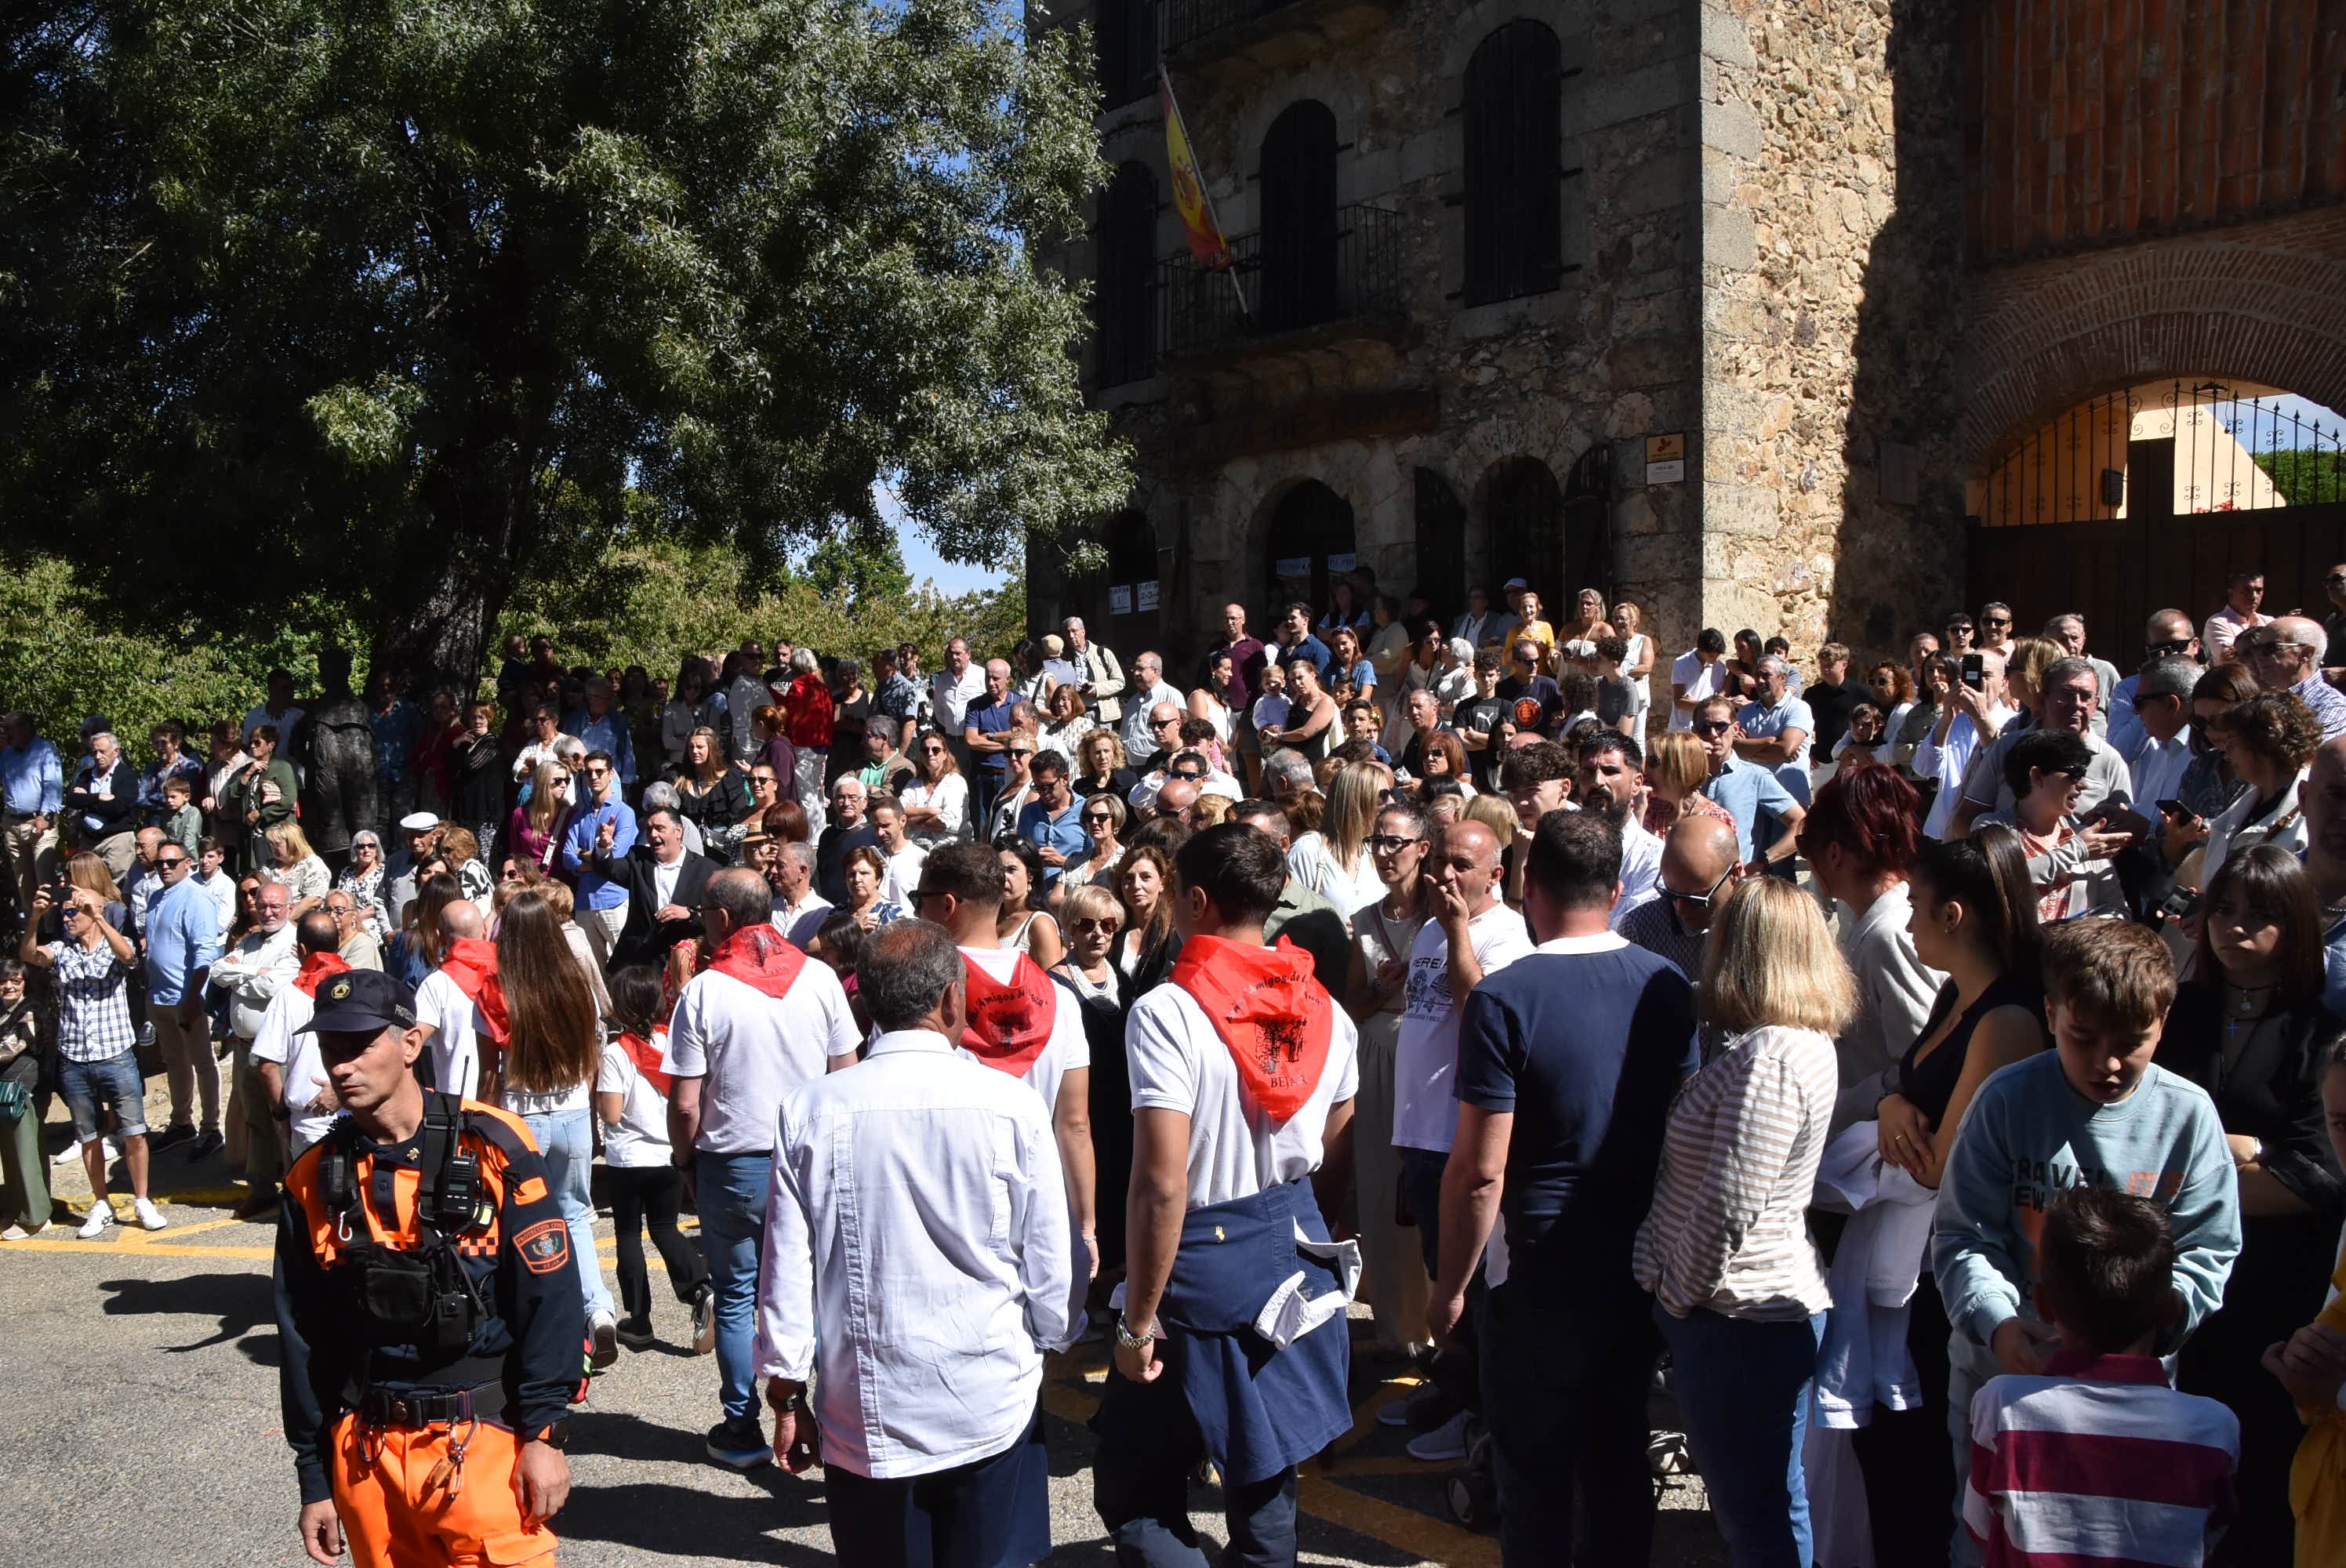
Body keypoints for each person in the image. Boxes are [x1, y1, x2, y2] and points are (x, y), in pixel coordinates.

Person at [754, 917, 1073, 1560]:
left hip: (867, 1411)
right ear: (953, 999)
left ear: (865, 1003)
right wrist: (1051, 1335)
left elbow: (787, 1266)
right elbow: (1049, 1260)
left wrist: (787, 1392)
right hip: (990, 1395)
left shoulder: (812, 1109)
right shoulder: (1010, 1103)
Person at [1933, 919, 2243, 1567]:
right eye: (2083, 1037)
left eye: (2132, 1043)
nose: (2106, 1063)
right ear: (2051, 1015)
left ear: (2165, 1019)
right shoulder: (2007, 1101)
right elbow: (1965, 1234)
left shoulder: (2188, 1118)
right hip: (2007, 1382)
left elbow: (2209, 1249)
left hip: (2138, 1406)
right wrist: (2001, 1325)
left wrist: (2150, 1331)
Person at [1434, 809, 1698, 1566]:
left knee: (1535, 1479)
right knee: (1619, 1457)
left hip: (1538, 1270)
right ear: (1616, 890)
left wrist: (1451, 1287)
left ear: (1527, 886)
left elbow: (1481, 1171)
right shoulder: (1668, 984)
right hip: (1639, 1262)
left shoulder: (1503, 998)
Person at [1092, 822, 1360, 1565]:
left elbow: (1160, 1184)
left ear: (1198, 901)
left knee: (1136, 1486)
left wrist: (1137, 1322)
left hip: (1199, 1266)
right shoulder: (1328, 1011)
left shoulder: (1168, 1013)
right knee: (1264, 1469)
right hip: (1292, 1245)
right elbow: (1338, 1150)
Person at [274, 968, 580, 1568]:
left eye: (359, 1046)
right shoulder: (312, 1177)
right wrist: (315, 1478)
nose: (341, 1067)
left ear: (411, 1044)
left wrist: (544, 1435)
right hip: (367, 1456)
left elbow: (549, 1298)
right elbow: (302, 1335)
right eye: (331, 1048)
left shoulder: (493, 1145)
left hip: (482, 1444)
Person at [1634, 876, 1854, 1568]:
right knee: (1768, 1506)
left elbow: (1732, 1202)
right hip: (1748, 1314)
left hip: (1738, 1318)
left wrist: (1674, 1297)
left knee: (1754, 1516)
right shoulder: (1792, 1044)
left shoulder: (1775, 1056)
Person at [2158, 846, 2345, 1560]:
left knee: (2259, 1473)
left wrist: (2198, 1174)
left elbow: (2318, 1179)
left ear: (2295, 928)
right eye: (2224, 910)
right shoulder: (2182, 1015)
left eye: (2260, 915)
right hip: (2184, 1283)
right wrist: (2236, 1152)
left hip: (2273, 1290)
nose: (2234, 928)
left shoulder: (2316, 1033)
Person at [666, 869, 859, 1467]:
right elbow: (847, 1071)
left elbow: (685, 1101)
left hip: (734, 1162)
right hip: (810, 1158)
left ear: (722, 918)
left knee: (737, 1295)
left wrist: (684, 1160)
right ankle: (826, 1423)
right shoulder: (820, 977)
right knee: (820, 1295)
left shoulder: (704, 990)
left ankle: (741, 1427)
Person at [1963, 1187, 2242, 1567]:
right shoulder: (2214, 1427)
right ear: (2169, 1310)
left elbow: (1979, 1528)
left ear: (2044, 1305)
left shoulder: (2004, 1406)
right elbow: (2211, 1536)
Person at [1384, 818, 1534, 1461]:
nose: (1445, 874)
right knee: (1436, 1269)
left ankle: (1480, 1414)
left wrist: (1455, 933)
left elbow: (1486, 1019)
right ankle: (1452, 1388)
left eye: (1462, 866)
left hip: (1457, 1138)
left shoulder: (1505, 935)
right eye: (1440, 860)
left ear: (1495, 875)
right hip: (1419, 1132)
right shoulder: (1428, 927)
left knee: (1464, 1287)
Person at [915, 840, 1097, 1306]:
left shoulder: (920, 1001)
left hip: (947, 1210)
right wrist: (1087, 1227)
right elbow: (1075, 1125)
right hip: (1041, 1207)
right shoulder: (1061, 998)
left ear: (947, 905)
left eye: (921, 900)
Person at [1340, 800, 1435, 1356]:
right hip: (1376, 1059)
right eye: (1377, 841)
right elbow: (1352, 1003)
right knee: (1380, 1190)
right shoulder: (1364, 919)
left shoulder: (1444, 916)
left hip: (1426, 1061)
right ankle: (1396, 1328)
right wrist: (1379, 989)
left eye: (1395, 842)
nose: (1383, 852)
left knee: (1424, 1188)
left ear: (1423, 848)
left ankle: (1437, 1321)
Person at [22, 882, 166, 1235]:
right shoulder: (63, 949)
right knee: (87, 1136)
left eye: (73, 911)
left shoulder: (113, 945)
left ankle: (142, 1200)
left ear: (90, 914)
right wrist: (37, 917)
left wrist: (100, 916)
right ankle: (100, 1203)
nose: (67, 918)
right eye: (65, 912)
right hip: (74, 1058)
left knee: (134, 1133)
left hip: (115, 1054)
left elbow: (129, 957)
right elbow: (30, 955)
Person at [212, 880, 300, 1217]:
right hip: (244, 1047)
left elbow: (274, 986)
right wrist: (251, 971)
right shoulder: (249, 941)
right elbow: (218, 972)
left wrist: (243, 977)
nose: (268, 912)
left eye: (276, 906)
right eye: (262, 905)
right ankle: (261, 1189)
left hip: (276, 1052)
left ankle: (296, 1190)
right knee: (255, 1120)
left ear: (290, 908)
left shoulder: (293, 942)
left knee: (286, 1121)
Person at [246, 910, 350, 1159]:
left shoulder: (288, 997)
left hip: (309, 1122)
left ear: (301, 949)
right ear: (338, 944)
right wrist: (342, 1090)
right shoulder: (364, 987)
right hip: (359, 1112)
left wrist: (281, 1114)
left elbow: (267, 1066)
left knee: (310, 1195)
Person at [145, 835, 224, 1156]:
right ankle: (181, 1123)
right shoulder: (156, 898)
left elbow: (204, 952)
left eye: (171, 862)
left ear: (187, 864)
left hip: (186, 996)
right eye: (159, 863)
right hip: (160, 995)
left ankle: (211, 1128)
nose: (164, 867)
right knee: (174, 1062)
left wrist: (194, 997)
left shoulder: (196, 897)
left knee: (203, 1062)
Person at [2203, 690, 2324, 888]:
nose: (2227, 754)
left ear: (2261, 744)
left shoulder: (2311, 816)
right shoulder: (2244, 806)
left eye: (2232, 743)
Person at [1690, 695, 1807, 873]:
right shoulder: (1683, 776)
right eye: (1705, 728)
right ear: (1695, 732)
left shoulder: (1755, 777)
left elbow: (1801, 822)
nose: (1713, 734)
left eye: (1721, 726)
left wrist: (1763, 862)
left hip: (1736, 886)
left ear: (1735, 729)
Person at [606, 804, 715, 971]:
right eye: (649, 829)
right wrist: (603, 849)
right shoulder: (638, 859)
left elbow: (720, 913)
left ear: (678, 831)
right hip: (639, 963)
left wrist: (690, 913)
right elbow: (608, 868)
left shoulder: (707, 870)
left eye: (659, 828)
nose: (653, 835)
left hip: (683, 966)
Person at [1574, 732, 1662, 926]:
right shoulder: (1562, 847)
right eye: (1588, 772)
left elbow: (1635, 931)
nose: (1598, 781)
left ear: (1637, 784)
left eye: (1610, 771)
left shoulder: (1652, 858)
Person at [559, 750, 636, 968]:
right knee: (591, 971)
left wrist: (584, 855)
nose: (594, 776)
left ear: (611, 774)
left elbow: (618, 855)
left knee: (625, 967)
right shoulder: (579, 816)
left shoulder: (624, 813)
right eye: (588, 772)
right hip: (584, 903)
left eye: (599, 771)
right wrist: (598, 857)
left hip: (614, 899)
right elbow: (567, 857)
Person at [1286, 760, 1386, 916]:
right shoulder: (1309, 850)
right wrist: (1331, 929)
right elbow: (1288, 917)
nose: (1391, 802)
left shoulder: (1379, 850)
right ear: (1359, 799)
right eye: (1384, 795)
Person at [1733, 654, 1817, 808]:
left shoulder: (1798, 708)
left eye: (1766, 675)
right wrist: (1769, 741)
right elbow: (1733, 749)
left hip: (1790, 798)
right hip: (1753, 797)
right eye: (1757, 675)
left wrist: (1747, 750)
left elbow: (1785, 749)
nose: (1760, 681)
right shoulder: (1746, 712)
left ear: (1783, 678)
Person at [964, 658, 1020, 828]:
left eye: (996, 678)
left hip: (1010, 774)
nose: (990, 682)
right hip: (982, 774)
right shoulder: (975, 705)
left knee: (1009, 824)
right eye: (988, 678)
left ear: (1008, 680)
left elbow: (1023, 736)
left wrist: (991, 735)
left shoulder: (1020, 703)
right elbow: (971, 740)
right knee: (982, 824)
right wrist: (1007, 745)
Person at [897, 729, 968, 846]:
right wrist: (931, 811)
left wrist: (911, 820)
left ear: (945, 754)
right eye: (925, 750)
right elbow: (899, 812)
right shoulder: (913, 784)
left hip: (947, 847)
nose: (930, 754)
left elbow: (946, 821)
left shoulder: (956, 782)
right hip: (914, 845)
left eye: (935, 750)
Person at [263, 821, 332, 916]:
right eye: (270, 843)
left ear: (292, 843)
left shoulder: (312, 864)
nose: (272, 848)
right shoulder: (269, 866)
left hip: (301, 923)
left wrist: (284, 921)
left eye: (277, 844)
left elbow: (314, 900)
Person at [2206, 568, 2272, 663]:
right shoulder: (2216, 623)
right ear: (2231, 593)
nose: (2254, 596)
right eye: (2247, 590)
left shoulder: (2268, 621)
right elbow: (2233, 659)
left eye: (2258, 590)